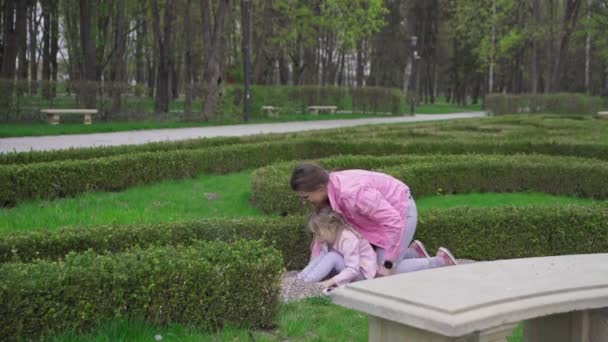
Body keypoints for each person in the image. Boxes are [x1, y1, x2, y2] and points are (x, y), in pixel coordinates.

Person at [290, 163, 457, 278]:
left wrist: (389, 264)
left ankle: (440, 261)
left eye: (305, 197)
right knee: (372, 265)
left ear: (319, 188)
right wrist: (313, 263)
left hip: (400, 211)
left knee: (377, 273)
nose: (304, 201)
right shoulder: (329, 188)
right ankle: (413, 252)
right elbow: (320, 233)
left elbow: (393, 222)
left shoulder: (352, 193)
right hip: (380, 218)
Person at [297, 207, 377, 289]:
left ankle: (307, 284)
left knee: (332, 256)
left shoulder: (348, 238)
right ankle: (303, 280)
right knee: (323, 255)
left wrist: (328, 282)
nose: (317, 238)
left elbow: (353, 270)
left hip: (362, 275)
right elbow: (319, 259)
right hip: (346, 270)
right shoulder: (328, 238)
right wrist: (301, 276)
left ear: (332, 227)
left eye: (319, 234)